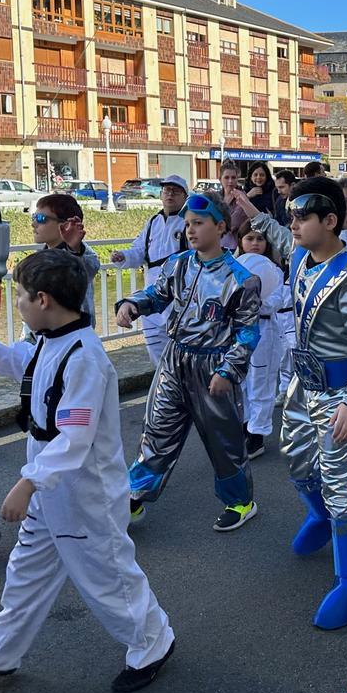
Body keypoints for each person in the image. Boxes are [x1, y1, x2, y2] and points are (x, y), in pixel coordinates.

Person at [0, 250, 175, 693]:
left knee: (108, 577)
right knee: (26, 574)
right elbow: (26, 370)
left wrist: (27, 483)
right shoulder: (52, 342)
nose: (20, 304)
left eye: (23, 296)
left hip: (85, 493)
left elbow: (73, 439)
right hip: (52, 488)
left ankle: (153, 643)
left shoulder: (85, 357)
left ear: (44, 300)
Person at [252, 177, 347, 629]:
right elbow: (271, 229)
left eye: (301, 216)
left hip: (341, 394)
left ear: (330, 222)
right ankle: (319, 516)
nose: (291, 222)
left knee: (340, 483)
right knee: (295, 462)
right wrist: (240, 203)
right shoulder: (299, 256)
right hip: (303, 385)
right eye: (290, 213)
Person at [117, 193, 262, 532]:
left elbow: (247, 333)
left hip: (214, 368)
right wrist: (132, 304)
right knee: (156, 431)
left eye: (198, 223)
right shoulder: (178, 264)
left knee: (223, 441)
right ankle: (133, 497)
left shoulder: (241, 279)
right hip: (174, 359)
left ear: (221, 227)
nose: (191, 231)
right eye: (187, 225)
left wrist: (228, 370)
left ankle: (240, 501)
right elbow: (157, 295)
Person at [109, 175, 189, 365]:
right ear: (161, 195)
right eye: (166, 190)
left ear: (185, 196)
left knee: (181, 355)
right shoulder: (153, 222)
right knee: (156, 352)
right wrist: (124, 257)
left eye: (176, 191)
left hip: (179, 295)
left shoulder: (189, 223)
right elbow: (139, 251)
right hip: (152, 294)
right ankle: (163, 389)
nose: (170, 194)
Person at [235, 223, 285, 460]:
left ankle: (257, 434)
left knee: (261, 383)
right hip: (236, 332)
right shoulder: (230, 268)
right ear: (240, 241)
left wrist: (254, 304)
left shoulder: (275, 270)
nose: (255, 243)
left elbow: (277, 300)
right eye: (249, 238)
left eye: (260, 239)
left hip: (264, 331)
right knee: (239, 382)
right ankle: (245, 425)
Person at [31, 194, 101, 320]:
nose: (33, 224)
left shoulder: (82, 253)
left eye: (41, 218)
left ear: (66, 225)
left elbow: (88, 268)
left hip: (73, 333)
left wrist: (75, 250)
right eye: (34, 217)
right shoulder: (40, 256)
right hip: (42, 335)